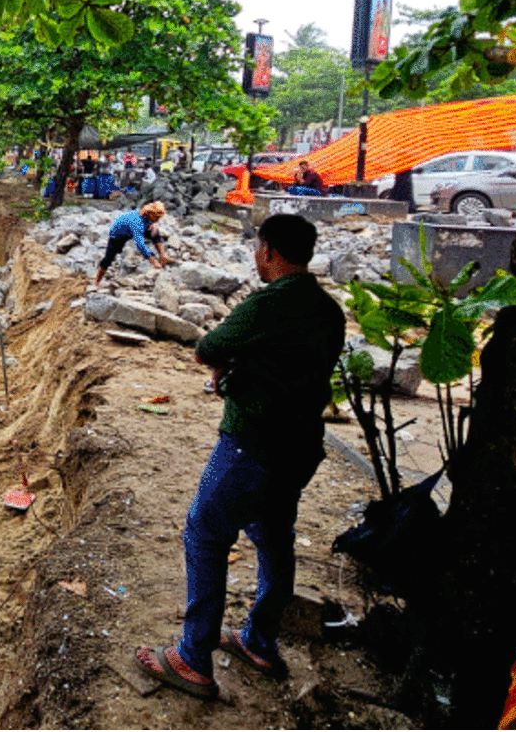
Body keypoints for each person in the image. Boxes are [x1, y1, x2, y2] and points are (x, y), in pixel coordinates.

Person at [134, 213, 346, 700]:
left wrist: (230, 362)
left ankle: (192, 660)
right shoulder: (328, 310)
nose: (255, 256)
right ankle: (260, 641)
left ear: (268, 250)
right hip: (300, 446)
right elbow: (292, 363)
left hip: (253, 443)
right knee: (274, 538)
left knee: (205, 534)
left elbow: (208, 347)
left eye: (257, 248)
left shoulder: (269, 303)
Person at [92, 201, 176, 287]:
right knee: (109, 258)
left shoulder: (145, 213)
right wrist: (153, 261)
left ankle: (163, 257)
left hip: (135, 227)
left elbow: (148, 221)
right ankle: (96, 282)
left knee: (155, 232)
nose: (158, 220)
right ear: (151, 213)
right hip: (118, 235)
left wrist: (152, 224)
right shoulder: (137, 222)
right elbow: (140, 244)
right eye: (157, 217)